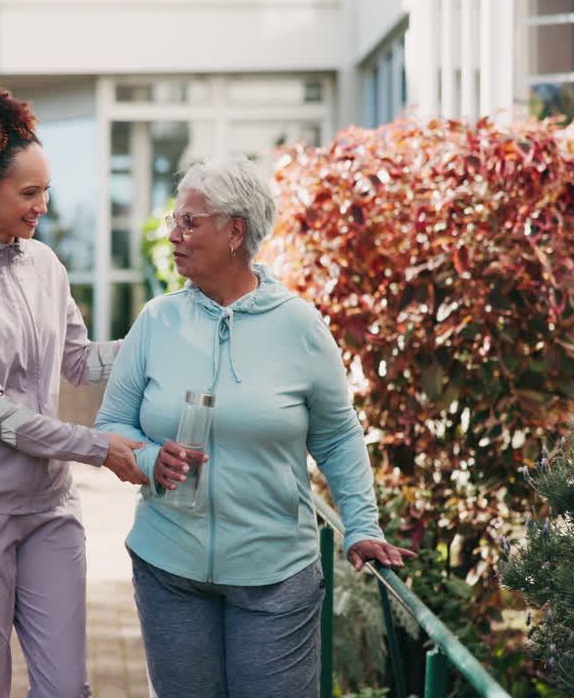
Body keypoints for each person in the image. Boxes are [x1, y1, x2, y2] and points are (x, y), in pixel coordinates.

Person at [95, 155, 414, 698]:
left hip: (275, 577)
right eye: (176, 220)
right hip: (168, 568)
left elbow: (337, 436)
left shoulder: (299, 326)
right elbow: (112, 426)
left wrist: (361, 525)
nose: (174, 234)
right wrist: (151, 459)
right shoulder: (156, 320)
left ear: (234, 231)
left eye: (188, 222)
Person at [0, 83, 149, 698]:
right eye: (28, 193)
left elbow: (77, 362)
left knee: (68, 689)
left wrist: (157, 338)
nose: (42, 205)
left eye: (45, 191)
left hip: (49, 510)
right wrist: (98, 446)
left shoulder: (46, 265)